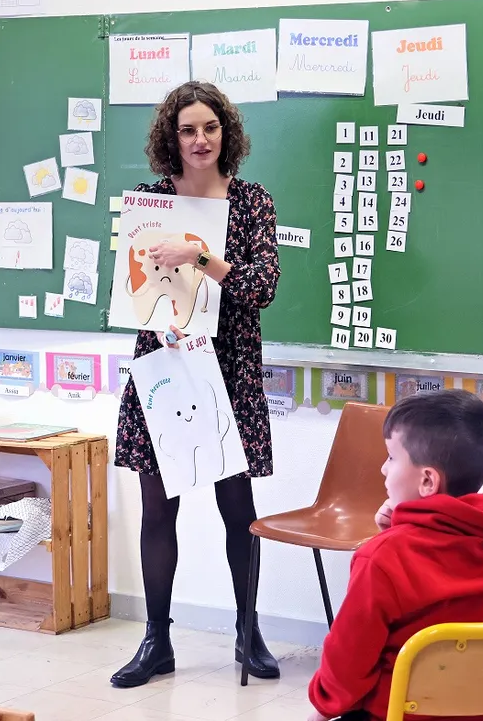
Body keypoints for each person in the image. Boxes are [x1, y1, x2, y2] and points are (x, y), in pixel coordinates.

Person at [111, 80, 281, 688]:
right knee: (158, 511)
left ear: (225, 133)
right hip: (163, 368)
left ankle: (248, 632)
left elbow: (261, 289)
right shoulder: (150, 202)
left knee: (239, 511)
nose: (200, 138)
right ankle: (156, 639)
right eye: (188, 129)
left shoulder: (253, 202)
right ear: (171, 138)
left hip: (227, 370)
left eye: (210, 127)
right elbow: (131, 289)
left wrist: (198, 255)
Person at [307, 389, 483, 721]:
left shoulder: (381, 559)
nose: (383, 469)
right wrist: (397, 527)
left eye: (392, 458)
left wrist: (319, 711)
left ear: (427, 481)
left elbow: (345, 671)